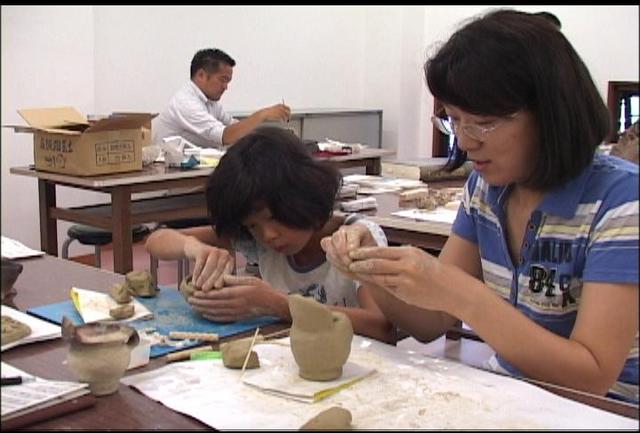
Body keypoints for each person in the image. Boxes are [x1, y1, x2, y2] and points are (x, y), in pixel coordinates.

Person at [321, 9, 638, 403]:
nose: (467, 141)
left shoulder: (621, 201)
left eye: (484, 122)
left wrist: (462, 294)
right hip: (509, 392)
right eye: (454, 120)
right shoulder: (486, 190)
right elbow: (430, 323)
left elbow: (592, 375)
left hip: (607, 409)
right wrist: (370, 266)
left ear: (551, 114)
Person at [145, 126, 396, 343]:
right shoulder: (260, 243)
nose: (268, 235)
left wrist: (276, 304)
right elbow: (156, 240)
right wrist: (193, 248)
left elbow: (383, 327)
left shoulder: (356, 238)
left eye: (272, 217)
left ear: (301, 196)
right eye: (253, 225)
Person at [154, 48, 291, 148]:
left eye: (228, 81)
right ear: (201, 75)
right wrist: (263, 114)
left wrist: (276, 136)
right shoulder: (185, 103)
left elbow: (234, 127)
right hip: (169, 179)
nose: (226, 87)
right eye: (222, 80)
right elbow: (226, 136)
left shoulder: (210, 102)